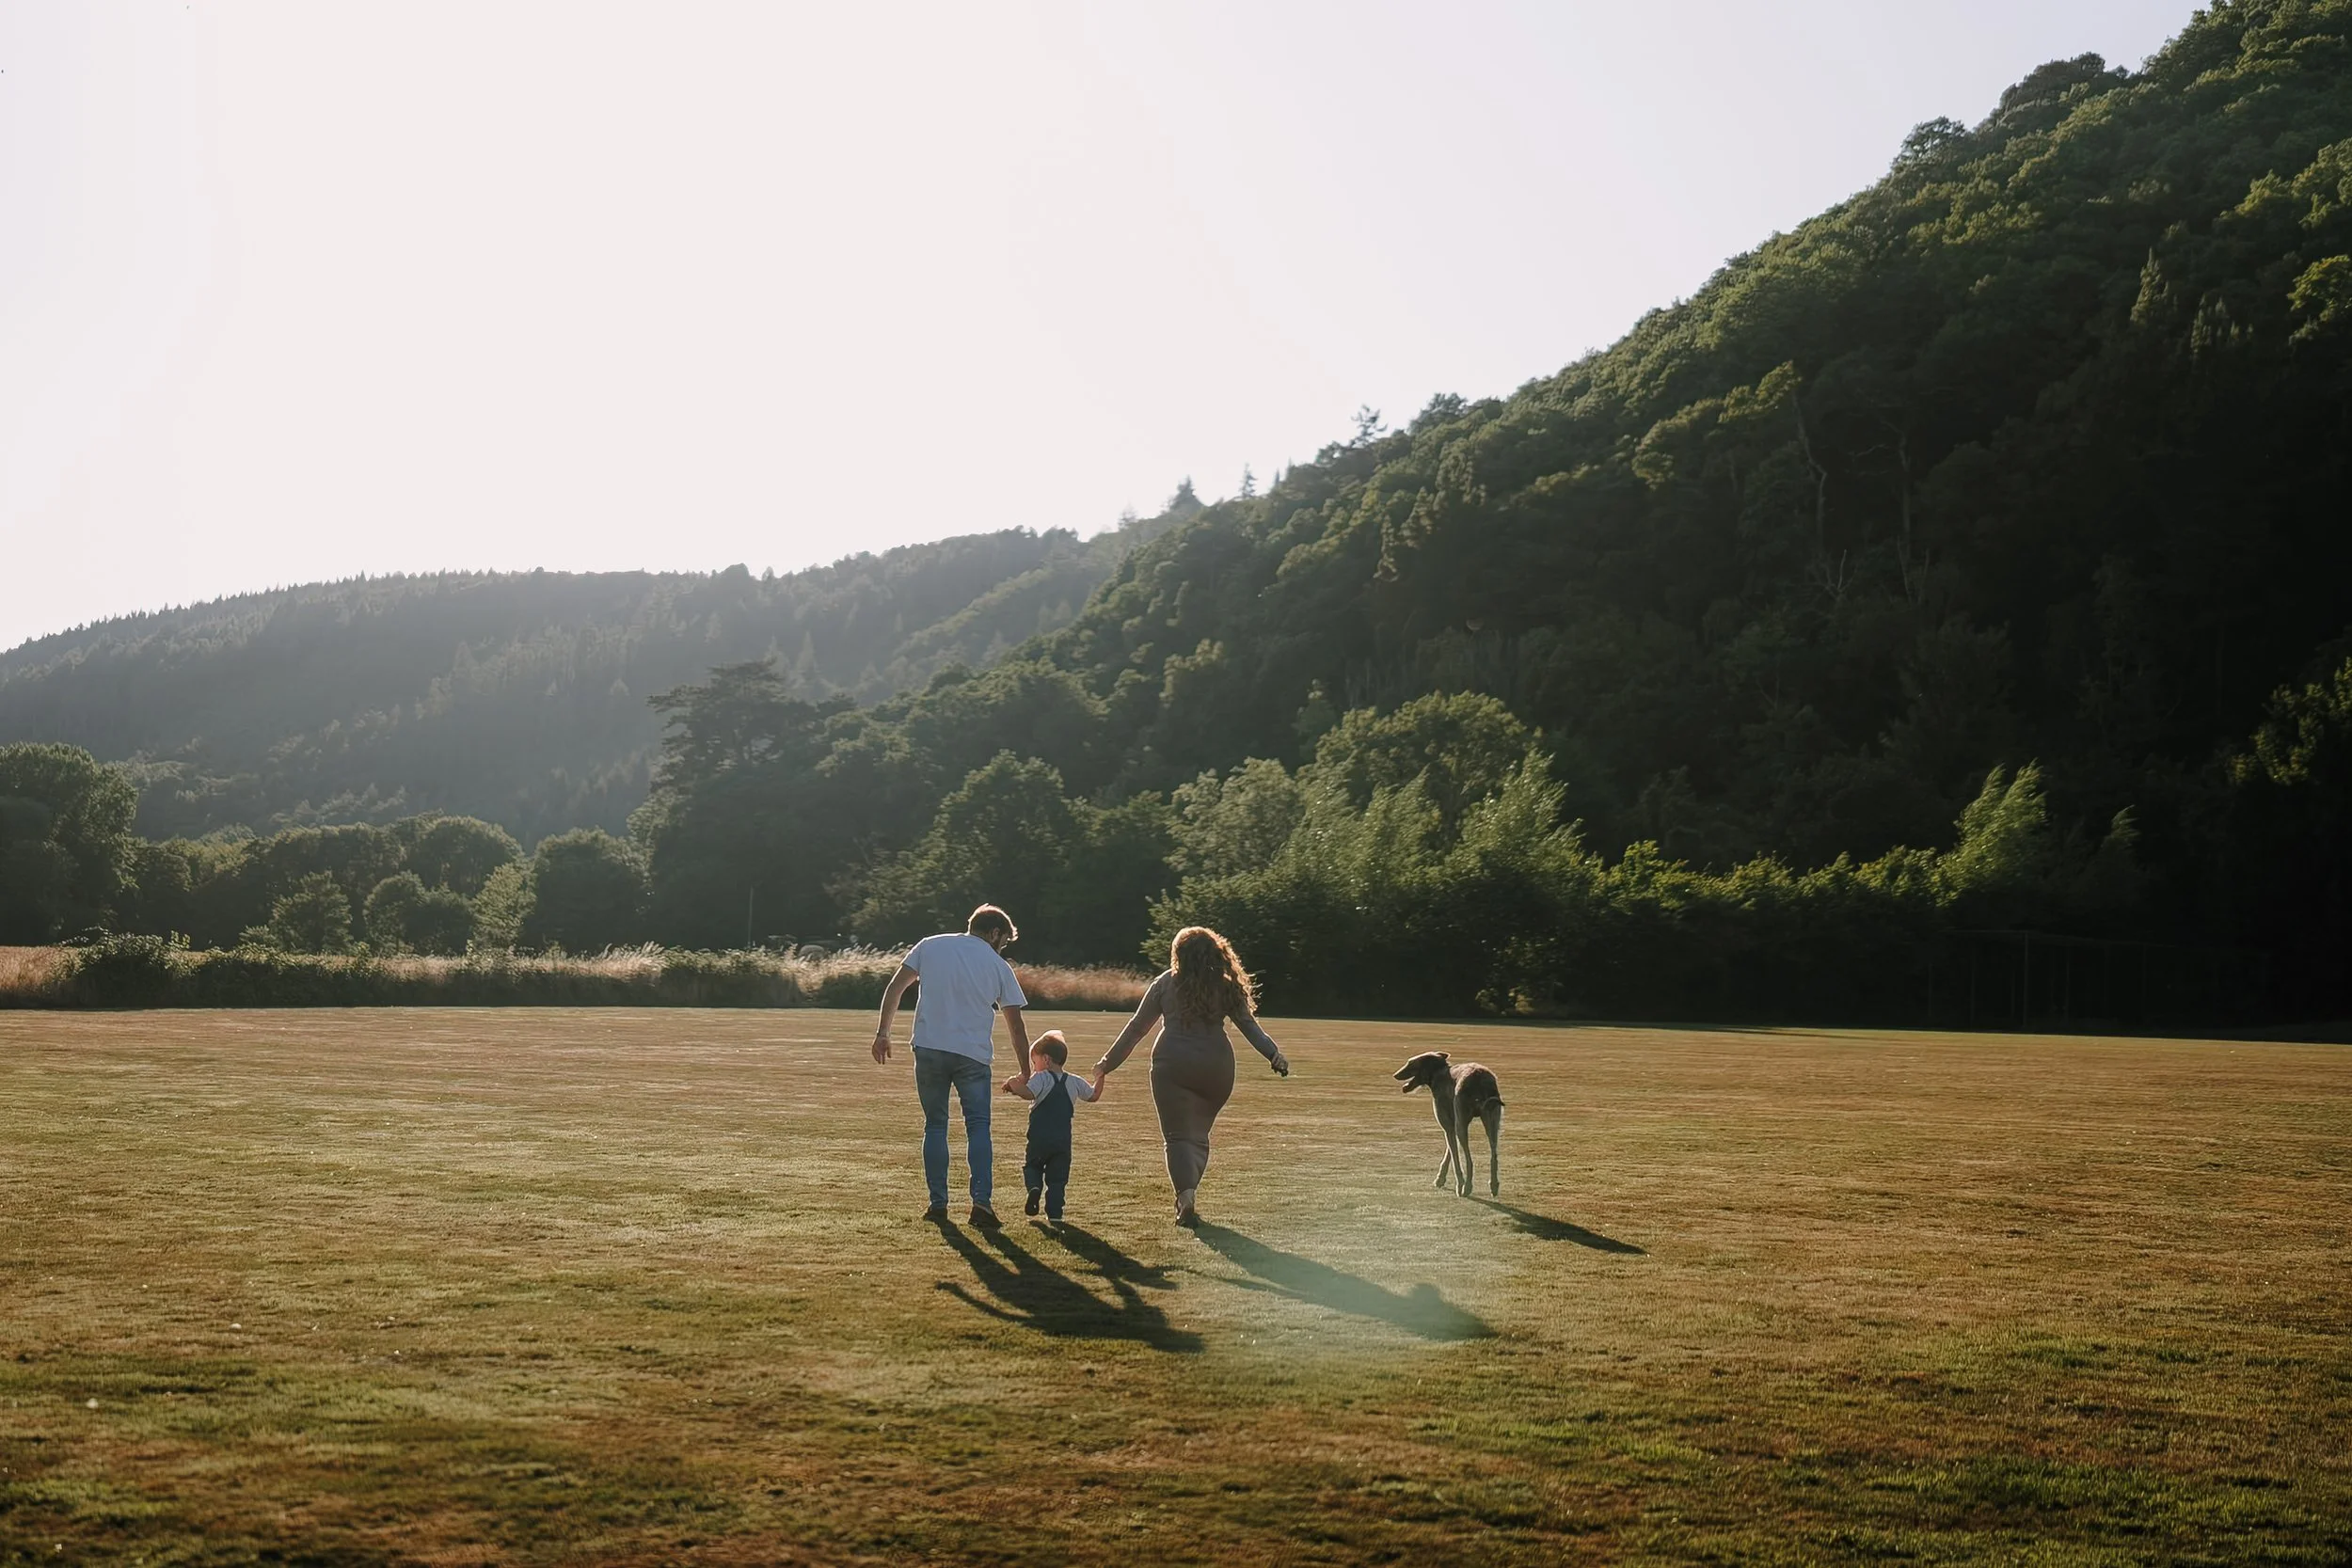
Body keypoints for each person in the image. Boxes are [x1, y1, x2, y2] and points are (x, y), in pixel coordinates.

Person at [1094, 926, 1288, 1227]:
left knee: (1178, 1136)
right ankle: (1189, 1191)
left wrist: (1107, 1063)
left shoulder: (1165, 984)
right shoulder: (1225, 985)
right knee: (1198, 1135)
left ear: (1178, 955)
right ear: (1215, 953)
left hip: (1172, 1065)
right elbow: (1250, 1027)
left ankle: (1186, 1196)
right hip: (1217, 1068)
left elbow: (1136, 1029)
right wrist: (1274, 1055)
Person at [873, 904, 1029, 1227]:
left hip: (929, 1047)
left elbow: (895, 987)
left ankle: (937, 1205)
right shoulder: (998, 967)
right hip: (972, 1054)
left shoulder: (930, 945)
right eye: (1003, 942)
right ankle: (981, 1205)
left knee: (935, 1125)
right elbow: (1016, 1027)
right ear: (995, 933)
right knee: (978, 1127)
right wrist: (1026, 1071)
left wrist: (883, 1033)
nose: (1002, 948)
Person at [999, 1029, 1104, 1221]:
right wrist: (1100, 1076)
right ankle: (1055, 1214)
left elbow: (1028, 1093)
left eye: (1034, 1062)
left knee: (1032, 1166)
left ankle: (1034, 1188)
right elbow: (1093, 1095)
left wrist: (1013, 1083)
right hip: (1063, 1141)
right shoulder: (1074, 1081)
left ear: (1046, 1059)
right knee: (1058, 1179)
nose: (1034, 1067)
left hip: (1039, 1138)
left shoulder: (1042, 1078)